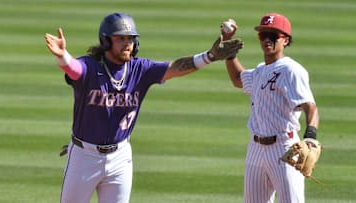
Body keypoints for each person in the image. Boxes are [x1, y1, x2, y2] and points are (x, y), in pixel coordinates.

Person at [44, 12, 243, 203]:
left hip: (120, 157)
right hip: (84, 157)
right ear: (106, 41)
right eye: (120, 38)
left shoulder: (141, 69)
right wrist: (63, 56)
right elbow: (74, 69)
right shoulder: (90, 67)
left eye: (130, 38)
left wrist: (209, 56)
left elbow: (175, 68)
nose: (127, 43)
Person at [223, 13, 320, 203]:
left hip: (284, 148)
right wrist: (229, 50)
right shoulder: (260, 70)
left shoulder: (291, 70)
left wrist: (310, 137)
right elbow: (238, 79)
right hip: (255, 150)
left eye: (273, 35)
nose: (267, 39)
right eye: (263, 34)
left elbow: (311, 107)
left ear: (285, 40)